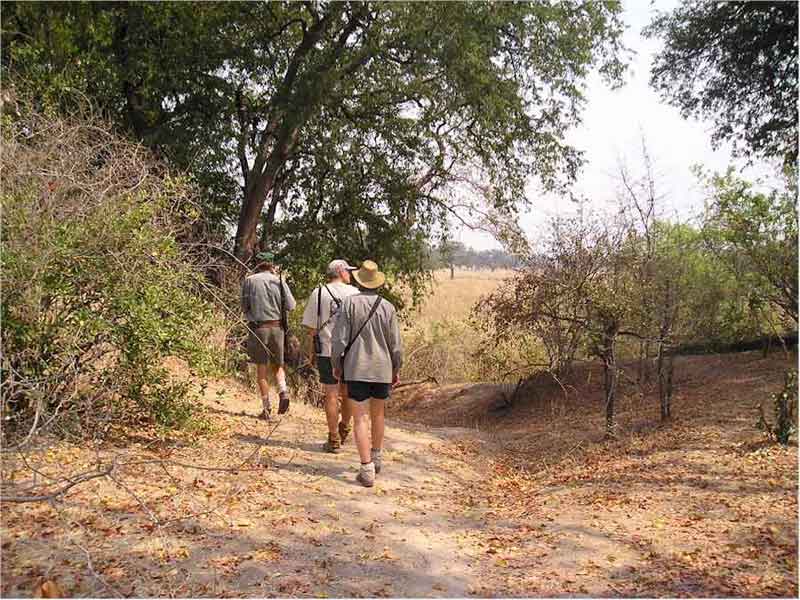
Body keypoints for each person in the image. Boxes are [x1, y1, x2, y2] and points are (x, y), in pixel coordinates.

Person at [331, 260, 402, 487]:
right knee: (378, 413)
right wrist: (396, 368)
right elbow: (396, 345)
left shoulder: (349, 305)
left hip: (356, 367)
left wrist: (336, 363)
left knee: (360, 416)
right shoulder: (388, 307)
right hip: (382, 368)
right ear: (376, 281)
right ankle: (377, 455)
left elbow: (339, 339)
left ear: (360, 280)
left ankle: (367, 468)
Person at [301, 259, 359, 453]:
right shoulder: (355, 293)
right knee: (348, 392)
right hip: (351, 351)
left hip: (326, 351)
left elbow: (310, 328)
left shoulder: (318, 293)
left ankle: (333, 437)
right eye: (348, 271)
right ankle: (345, 427)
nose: (350, 275)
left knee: (331, 394)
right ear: (341, 272)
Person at [241, 251, 296, 419]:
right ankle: (283, 391)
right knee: (278, 364)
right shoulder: (280, 281)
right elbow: (291, 305)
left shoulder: (249, 281)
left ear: (258, 263)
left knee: (261, 369)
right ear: (271, 264)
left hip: (258, 329)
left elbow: (244, 307)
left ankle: (266, 408)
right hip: (278, 328)